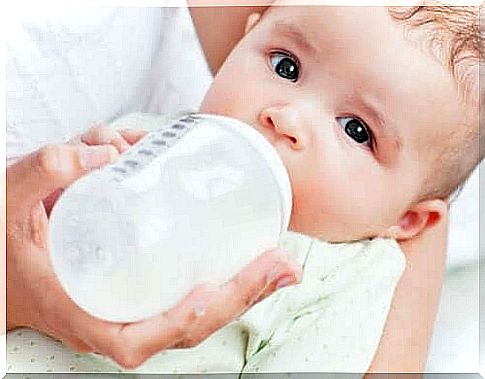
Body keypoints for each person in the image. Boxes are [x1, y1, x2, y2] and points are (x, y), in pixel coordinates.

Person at [5, 2, 466, 374]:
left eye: (357, 131)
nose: (286, 116)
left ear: (408, 220)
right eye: (286, 66)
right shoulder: (145, 142)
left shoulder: (343, 276)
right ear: (246, 38)